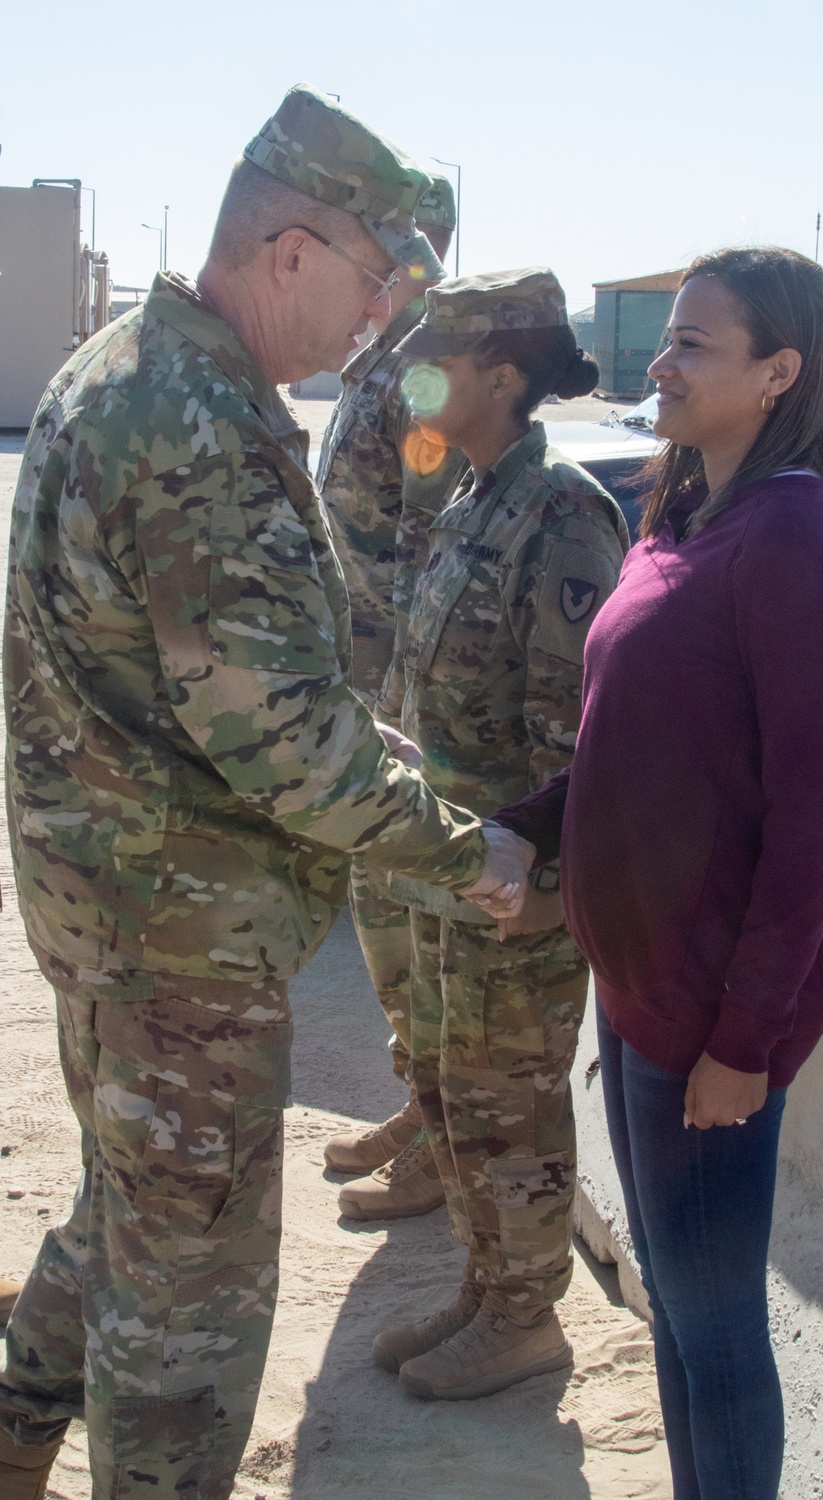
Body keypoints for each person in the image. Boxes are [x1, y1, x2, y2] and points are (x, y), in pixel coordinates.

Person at [0, 85, 529, 1500]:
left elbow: (218, 673)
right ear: (289, 250)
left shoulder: (128, 367)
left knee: (126, 1218)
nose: (379, 330)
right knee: (187, 1317)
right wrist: (463, 848)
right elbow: (285, 741)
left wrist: (378, 753)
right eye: (370, 287)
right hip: (180, 950)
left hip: (116, 914)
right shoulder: (196, 420)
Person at [489, 247, 823, 1498]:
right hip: (644, 992)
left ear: (777, 373)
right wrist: (527, 828)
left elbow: (813, 825)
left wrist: (741, 1044)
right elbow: (635, 751)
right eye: (666, 337)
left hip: (711, 1017)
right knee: (675, 1308)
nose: (657, 362)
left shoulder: (798, 540)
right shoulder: (686, 512)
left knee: (714, 1336)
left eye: (692, 345)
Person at [369, 268, 630, 1401]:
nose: (412, 378)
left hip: (514, 884)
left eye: (440, 357)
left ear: (505, 375)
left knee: (508, 1104)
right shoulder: (475, 495)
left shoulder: (565, 510)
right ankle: (488, 1288)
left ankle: (527, 1316)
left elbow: (583, 737)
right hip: (448, 872)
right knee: (450, 1091)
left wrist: (541, 879)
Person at [318, 176, 468, 1222]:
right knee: (382, 913)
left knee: (418, 916)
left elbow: (430, 534)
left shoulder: (422, 364)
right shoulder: (377, 354)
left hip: (406, 690)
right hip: (365, 676)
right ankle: (423, 1101)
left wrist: (414, 693)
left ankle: (448, 1135)